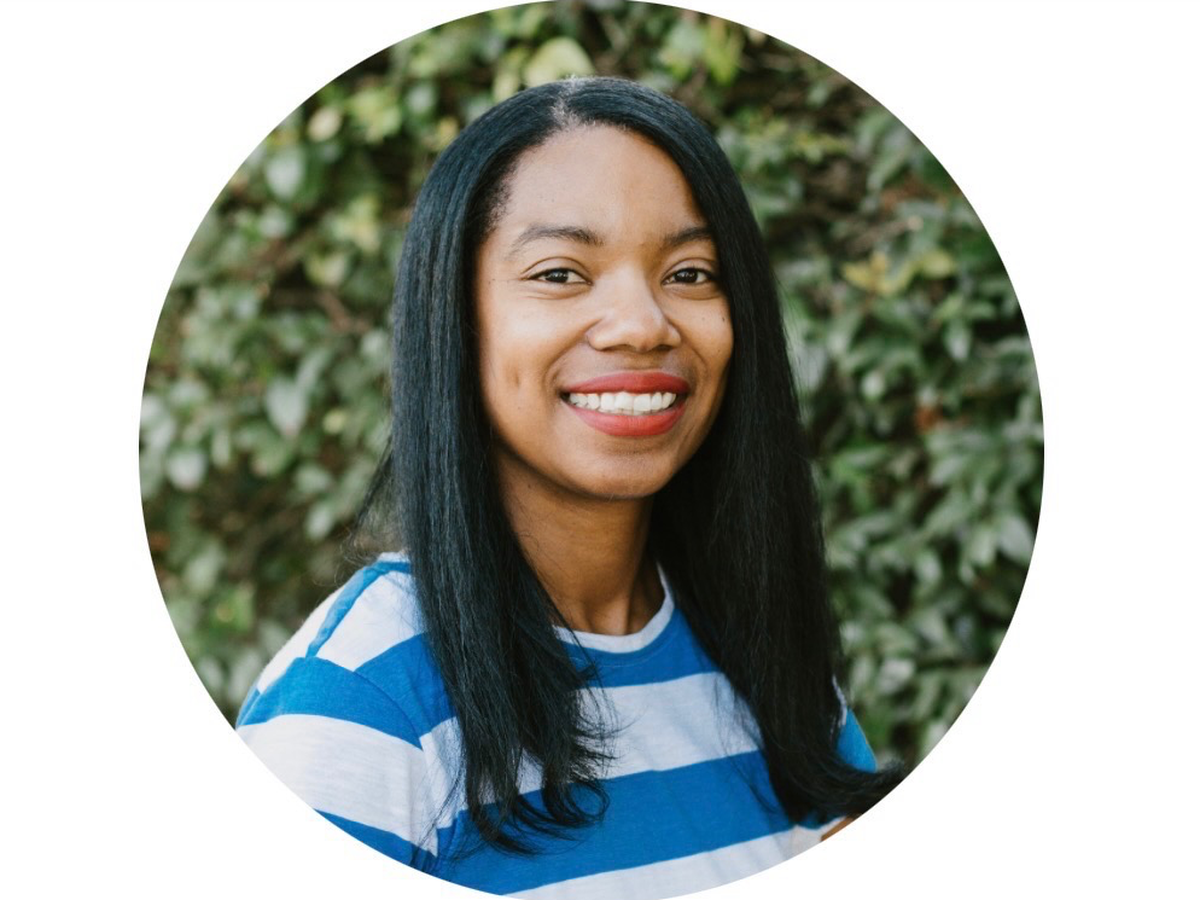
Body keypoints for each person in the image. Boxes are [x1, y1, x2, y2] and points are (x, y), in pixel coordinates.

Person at [236, 76, 903, 899]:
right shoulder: (361, 702)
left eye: (691, 273)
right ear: (456, 318)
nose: (643, 324)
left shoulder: (766, 662)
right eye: (560, 273)